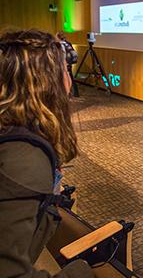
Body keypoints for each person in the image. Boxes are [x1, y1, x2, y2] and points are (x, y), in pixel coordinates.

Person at [0, 29, 93, 277]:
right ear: (46, 81)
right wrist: (78, 274)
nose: (69, 79)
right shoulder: (24, 159)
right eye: (64, 69)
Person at [56, 31, 79, 97]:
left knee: (64, 78)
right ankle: (75, 93)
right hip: (69, 62)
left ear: (58, 37)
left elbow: (63, 54)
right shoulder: (68, 43)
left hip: (64, 63)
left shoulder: (60, 44)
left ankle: (67, 93)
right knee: (70, 77)